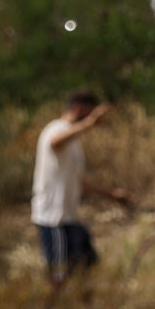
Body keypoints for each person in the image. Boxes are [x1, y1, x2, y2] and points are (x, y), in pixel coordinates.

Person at [32, 90, 114, 297]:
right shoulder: (57, 128)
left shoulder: (74, 140)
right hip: (53, 219)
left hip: (68, 217)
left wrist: (113, 196)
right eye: (90, 112)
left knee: (88, 265)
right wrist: (89, 123)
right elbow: (55, 142)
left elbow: (77, 181)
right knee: (58, 277)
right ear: (79, 108)